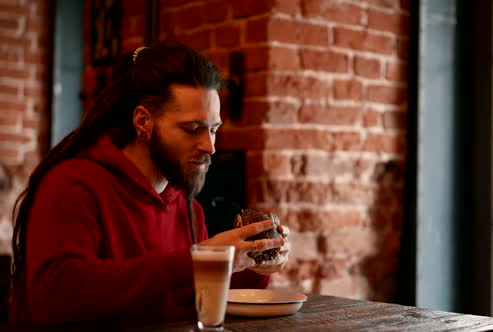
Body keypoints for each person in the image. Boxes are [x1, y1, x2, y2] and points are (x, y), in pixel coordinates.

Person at [6, 43, 290, 325]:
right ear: (143, 122)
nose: (209, 146)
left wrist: (252, 264)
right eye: (192, 129)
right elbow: (57, 299)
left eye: (214, 129)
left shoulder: (188, 209)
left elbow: (190, 295)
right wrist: (200, 260)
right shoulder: (72, 184)